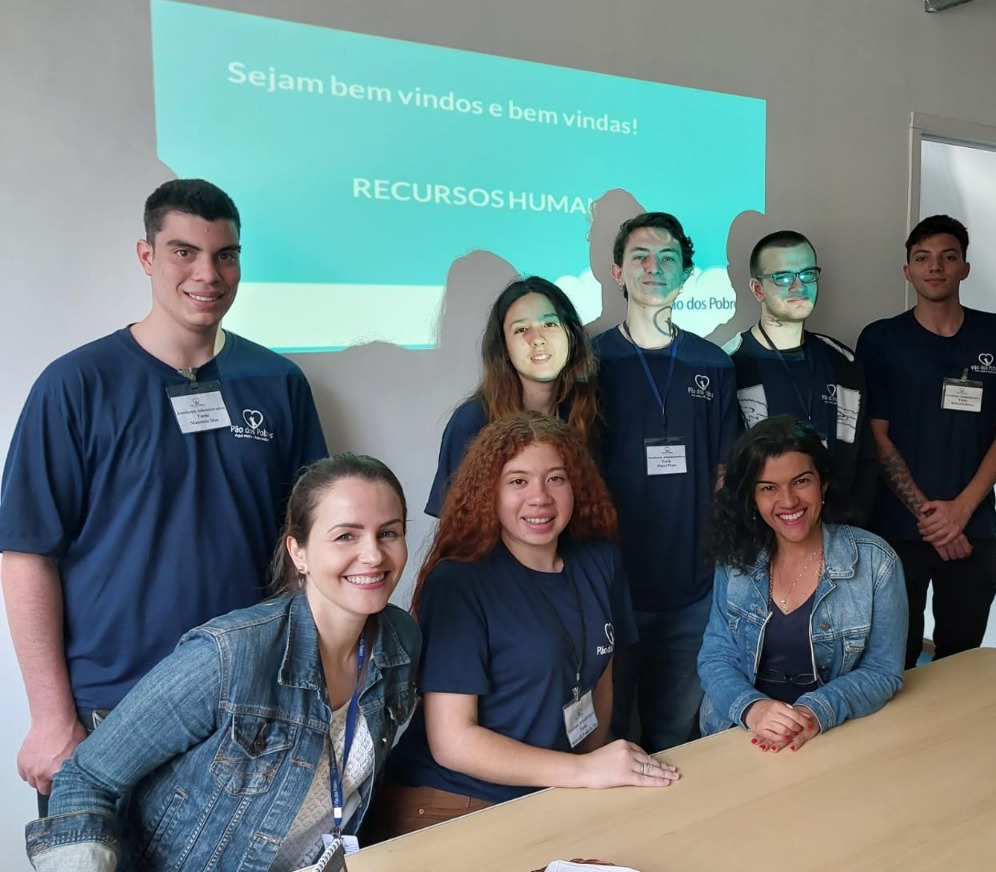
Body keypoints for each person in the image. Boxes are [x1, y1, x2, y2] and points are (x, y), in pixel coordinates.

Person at [0, 178, 327, 812]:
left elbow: (306, 549)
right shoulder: (76, 385)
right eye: (184, 252)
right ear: (146, 256)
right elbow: (26, 554)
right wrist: (49, 718)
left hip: (246, 707)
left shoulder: (279, 382)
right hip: (111, 713)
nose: (208, 274)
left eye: (225, 255)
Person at [24, 453, 420, 871]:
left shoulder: (401, 640)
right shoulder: (229, 654)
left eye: (388, 533)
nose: (373, 555)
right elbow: (86, 779)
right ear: (298, 552)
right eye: (346, 536)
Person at [368, 413, 676, 839]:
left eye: (556, 479)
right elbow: (453, 742)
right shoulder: (459, 582)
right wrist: (584, 771)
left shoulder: (600, 561)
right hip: (454, 799)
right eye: (518, 481)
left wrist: (591, 773)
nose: (540, 498)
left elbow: (600, 678)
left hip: (549, 791)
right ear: (489, 493)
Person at [855, 215, 996, 669]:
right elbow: (876, 437)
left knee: (962, 663)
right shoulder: (880, 339)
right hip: (896, 534)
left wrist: (961, 511)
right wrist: (933, 519)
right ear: (907, 270)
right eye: (923, 258)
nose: (936, 267)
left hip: (972, 531)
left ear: (965, 268)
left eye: (948, 257)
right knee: (892, 663)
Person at [593, 211, 737, 752]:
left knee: (676, 735)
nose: (654, 267)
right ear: (618, 272)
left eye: (668, 258)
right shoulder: (589, 363)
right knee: (604, 734)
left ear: (685, 273)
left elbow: (725, 472)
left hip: (693, 587)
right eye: (641, 257)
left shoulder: (713, 363)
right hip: (612, 586)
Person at [698, 416, 907, 749]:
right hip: (738, 729)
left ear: (823, 484)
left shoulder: (877, 562)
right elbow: (715, 657)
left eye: (801, 481)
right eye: (768, 488)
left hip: (831, 732)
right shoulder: (735, 560)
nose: (788, 501)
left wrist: (814, 712)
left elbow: (883, 671)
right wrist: (753, 709)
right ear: (753, 498)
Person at [727, 230, 878, 526]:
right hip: (763, 537)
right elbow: (727, 471)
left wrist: (852, 530)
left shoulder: (843, 361)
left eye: (807, 274)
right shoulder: (730, 364)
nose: (799, 286)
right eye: (783, 277)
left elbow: (865, 460)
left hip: (840, 533)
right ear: (757, 289)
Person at [425, 276, 599, 515]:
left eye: (550, 324)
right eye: (521, 329)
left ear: (572, 336)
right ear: (504, 347)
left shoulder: (588, 412)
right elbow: (456, 526)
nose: (537, 339)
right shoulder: (472, 422)